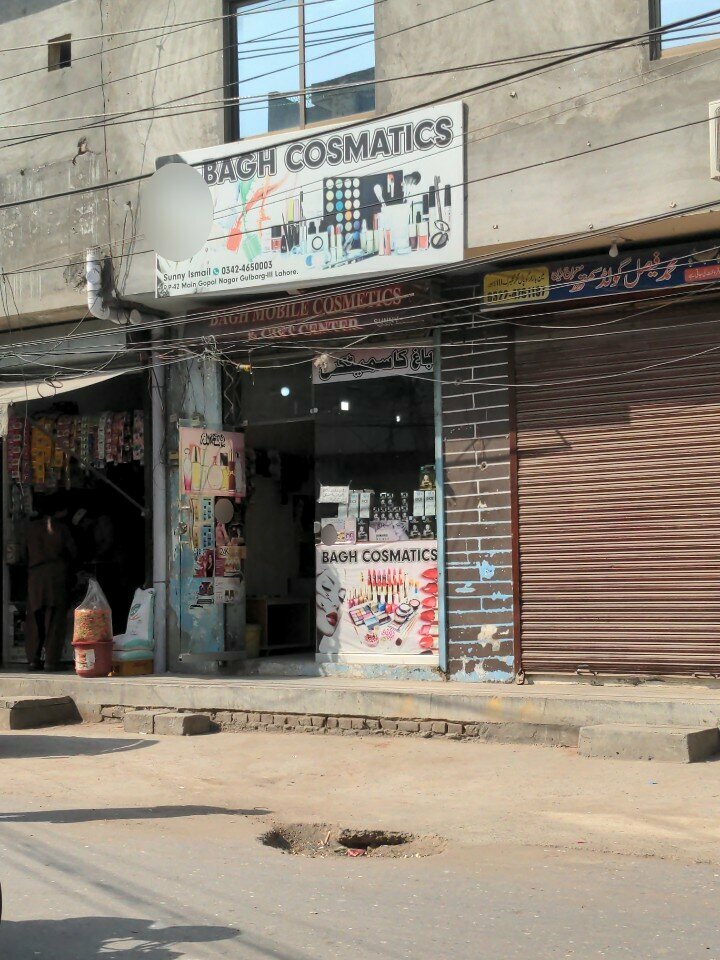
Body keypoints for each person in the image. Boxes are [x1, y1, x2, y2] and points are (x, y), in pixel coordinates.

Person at [25, 496, 77, 671]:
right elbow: (74, 552)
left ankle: (33, 659)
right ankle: (51, 661)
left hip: (35, 576)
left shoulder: (31, 529)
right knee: (55, 619)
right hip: (56, 576)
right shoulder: (61, 528)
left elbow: (23, 553)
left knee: (35, 618)